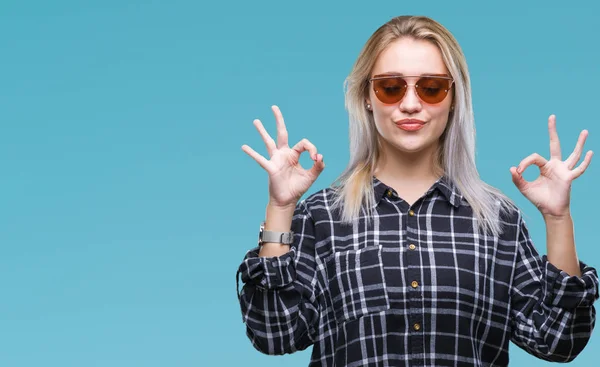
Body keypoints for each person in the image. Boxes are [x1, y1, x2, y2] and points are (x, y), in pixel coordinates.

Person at [236, 15, 598, 366]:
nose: (410, 104)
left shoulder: (497, 220)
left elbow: (558, 340)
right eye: (391, 88)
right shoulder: (323, 216)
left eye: (431, 87)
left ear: (454, 97)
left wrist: (557, 218)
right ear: (367, 96)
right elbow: (275, 334)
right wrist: (280, 206)